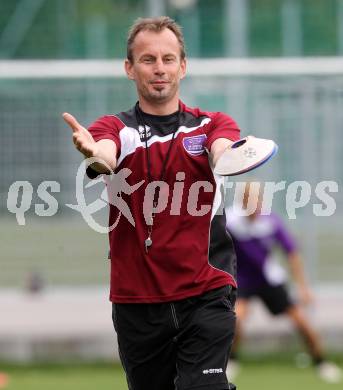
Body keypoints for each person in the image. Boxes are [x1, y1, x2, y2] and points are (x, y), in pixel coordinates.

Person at [63, 16, 242, 390]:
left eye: (168, 58)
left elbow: (223, 150)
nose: (159, 68)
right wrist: (93, 153)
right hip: (136, 302)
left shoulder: (210, 125)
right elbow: (105, 157)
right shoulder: (113, 128)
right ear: (130, 68)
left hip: (206, 292)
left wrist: (233, 155)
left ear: (183, 66)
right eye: (148, 59)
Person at [225, 182, 342, 384]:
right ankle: (232, 361)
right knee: (236, 319)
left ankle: (321, 362)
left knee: (301, 322)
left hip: (269, 280)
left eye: (257, 200)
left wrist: (304, 288)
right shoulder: (230, 222)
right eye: (248, 200)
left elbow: (292, 254)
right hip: (242, 280)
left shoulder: (271, 221)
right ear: (241, 201)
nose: (254, 205)